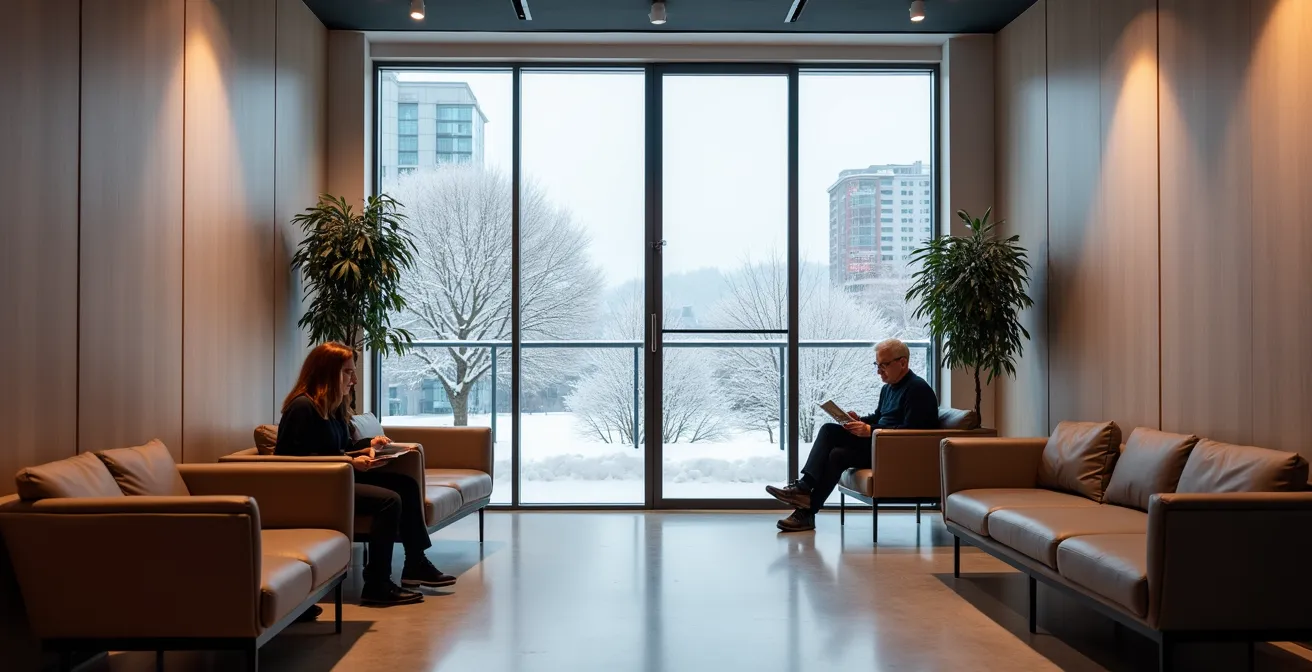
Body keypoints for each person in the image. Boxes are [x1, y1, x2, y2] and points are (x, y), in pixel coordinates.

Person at [277, 342, 456, 606]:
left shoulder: (333, 407)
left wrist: (368, 446)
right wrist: (349, 462)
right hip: (315, 489)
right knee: (388, 500)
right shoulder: (302, 408)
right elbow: (293, 462)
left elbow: (340, 448)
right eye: (349, 372)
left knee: (405, 484)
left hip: (337, 478)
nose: (355, 380)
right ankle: (377, 584)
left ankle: (415, 563)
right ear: (329, 373)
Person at [766, 338, 939, 532]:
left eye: (884, 365)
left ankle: (804, 490)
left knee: (830, 434)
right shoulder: (888, 388)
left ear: (903, 363)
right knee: (835, 448)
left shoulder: (918, 390)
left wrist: (869, 431)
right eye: (877, 365)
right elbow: (880, 417)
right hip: (878, 445)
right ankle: (806, 511)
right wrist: (859, 420)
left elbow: (912, 435)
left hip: (894, 454)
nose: (878, 371)